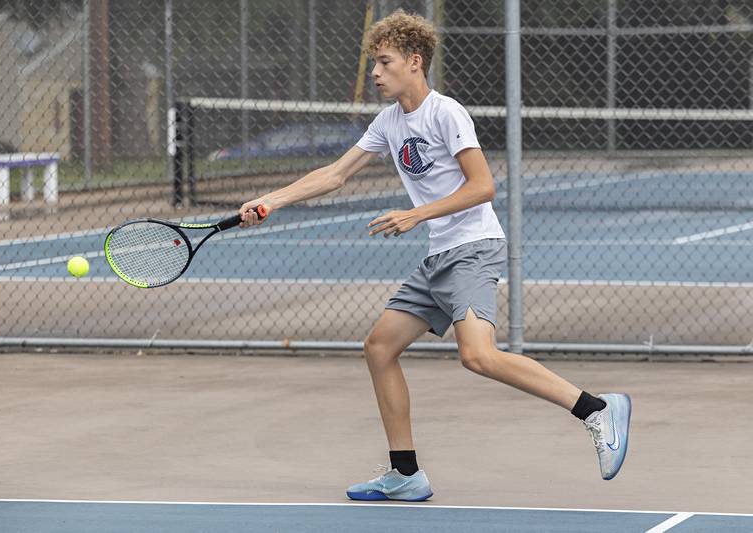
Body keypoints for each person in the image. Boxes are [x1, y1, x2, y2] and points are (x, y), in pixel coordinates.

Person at [239, 9, 631, 501]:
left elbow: (484, 186)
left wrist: (416, 215)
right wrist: (271, 200)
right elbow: (335, 174)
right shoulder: (388, 121)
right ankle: (405, 473)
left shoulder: (446, 113)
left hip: (473, 249)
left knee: (478, 355)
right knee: (379, 348)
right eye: (374, 64)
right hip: (440, 255)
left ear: (414, 62)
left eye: (384, 63)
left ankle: (596, 409)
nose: (376, 74)